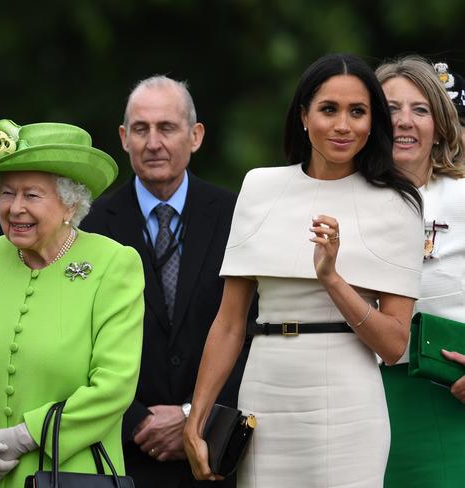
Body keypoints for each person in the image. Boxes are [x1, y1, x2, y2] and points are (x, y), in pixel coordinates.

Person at [184, 53, 425, 488]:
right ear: (302, 115)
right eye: (328, 109)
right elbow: (229, 322)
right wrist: (196, 416)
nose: (343, 125)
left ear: (373, 123)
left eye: (358, 112)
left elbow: (393, 345)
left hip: (350, 403)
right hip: (265, 393)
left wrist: (333, 279)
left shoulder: (398, 203)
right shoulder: (259, 187)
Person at [0, 120, 145, 487]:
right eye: (7, 193)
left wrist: (25, 436)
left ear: (71, 203)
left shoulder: (113, 263)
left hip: (70, 477)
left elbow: (114, 387)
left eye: (31, 195)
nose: (15, 208)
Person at [81, 75, 254, 488]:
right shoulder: (90, 227)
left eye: (167, 128)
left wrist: (195, 413)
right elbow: (76, 338)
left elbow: (251, 329)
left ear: (195, 136)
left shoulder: (238, 216)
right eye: (141, 129)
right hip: (121, 452)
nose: (153, 142)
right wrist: (136, 418)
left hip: (215, 451)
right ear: (123, 138)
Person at [376, 55, 465, 488]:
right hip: (357, 396)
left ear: (440, 126)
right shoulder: (338, 200)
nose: (404, 122)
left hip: (448, 397)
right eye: (390, 109)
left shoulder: (462, 196)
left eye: (420, 109)